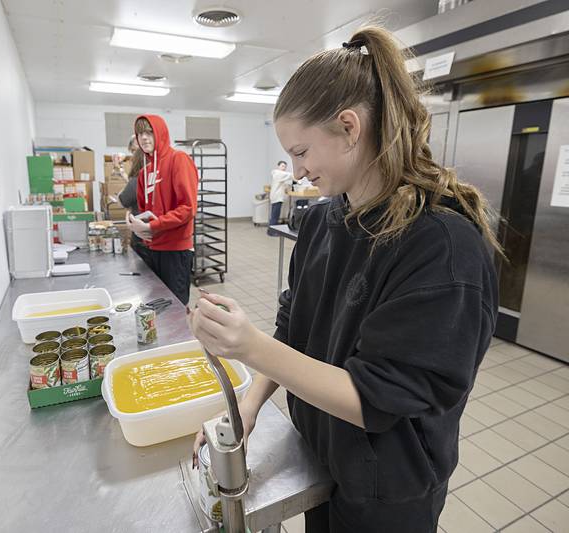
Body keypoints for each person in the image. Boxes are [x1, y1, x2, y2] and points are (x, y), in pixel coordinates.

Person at [189, 26, 499, 533]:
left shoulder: (440, 246)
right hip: (324, 459)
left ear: (350, 127)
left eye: (303, 152)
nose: (296, 169)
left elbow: (376, 399)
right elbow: (294, 329)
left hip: (387, 491)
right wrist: (246, 407)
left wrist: (248, 348)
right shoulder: (323, 222)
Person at [126, 115, 198, 305]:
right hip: (152, 249)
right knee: (156, 306)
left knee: (176, 309)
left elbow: (187, 208)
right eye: (140, 133)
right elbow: (144, 210)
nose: (144, 138)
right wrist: (136, 224)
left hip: (176, 251)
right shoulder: (144, 173)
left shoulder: (179, 160)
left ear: (160, 133)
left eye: (149, 132)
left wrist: (153, 226)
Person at [117, 135, 149, 263]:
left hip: (141, 234)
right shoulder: (151, 178)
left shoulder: (137, 180)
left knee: (144, 271)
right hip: (154, 233)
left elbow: (122, 201)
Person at [268, 160, 294, 229]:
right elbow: (290, 175)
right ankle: (272, 231)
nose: (284, 168)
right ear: (278, 166)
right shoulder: (278, 173)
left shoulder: (279, 175)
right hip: (277, 197)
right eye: (282, 166)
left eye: (285, 166)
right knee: (275, 215)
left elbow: (285, 182)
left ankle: (271, 230)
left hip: (276, 197)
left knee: (275, 215)